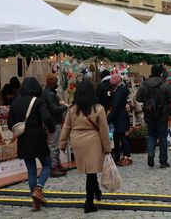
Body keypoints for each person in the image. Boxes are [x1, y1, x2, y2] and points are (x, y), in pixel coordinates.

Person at [59, 81, 111, 213]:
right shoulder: (98, 109)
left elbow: (66, 127)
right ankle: (89, 202)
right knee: (91, 172)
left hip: (77, 141)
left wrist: (62, 144)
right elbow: (104, 130)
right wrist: (107, 148)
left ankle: (96, 192)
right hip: (93, 140)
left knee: (90, 171)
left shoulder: (72, 109)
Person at [8, 77, 55, 212]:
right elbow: (47, 118)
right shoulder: (38, 101)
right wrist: (51, 129)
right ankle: (39, 188)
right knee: (47, 165)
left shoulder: (15, 103)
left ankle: (35, 203)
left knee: (31, 171)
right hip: (38, 137)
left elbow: (10, 124)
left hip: (23, 139)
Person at [136, 65, 171, 168]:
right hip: (162, 115)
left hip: (149, 114)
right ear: (160, 73)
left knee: (152, 135)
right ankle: (163, 161)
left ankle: (150, 154)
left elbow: (138, 98)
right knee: (163, 137)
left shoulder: (144, 85)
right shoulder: (165, 84)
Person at [42, 73, 68, 177]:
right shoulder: (50, 94)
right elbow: (54, 109)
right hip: (53, 122)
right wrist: (65, 106)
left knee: (55, 144)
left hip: (53, 122)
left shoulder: (48, 93)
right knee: (53, 145)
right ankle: (53, 167)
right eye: (56, 82)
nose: (57, 84)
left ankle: (57, 164)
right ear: (53, 83)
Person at [107, 74, 132, 166]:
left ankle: (127, 157)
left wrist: (107, 120)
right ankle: (118, 157)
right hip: (121, 116)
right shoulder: (121, 89)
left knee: (121, 137)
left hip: (119, 117)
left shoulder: (119, 91)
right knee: (117, 137)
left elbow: (115, 108)